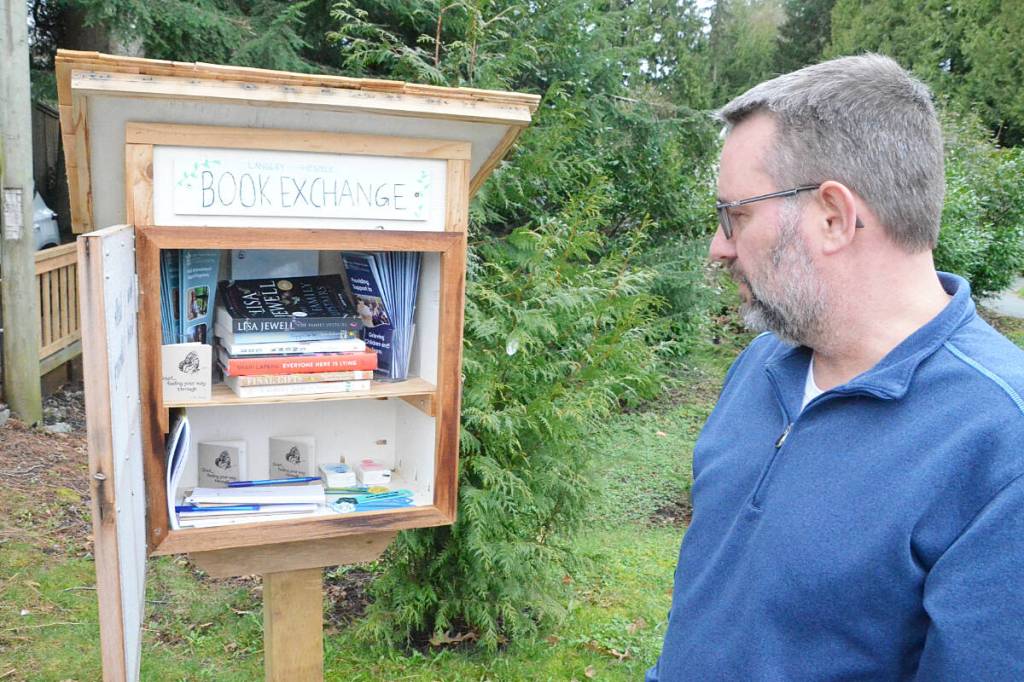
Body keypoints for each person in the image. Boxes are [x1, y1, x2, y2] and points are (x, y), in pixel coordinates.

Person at [647, 54, 1024, 680]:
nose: (718, 249)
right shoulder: (764, 364)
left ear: (833, 216)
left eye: (735, 216)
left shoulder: (1001, 442)